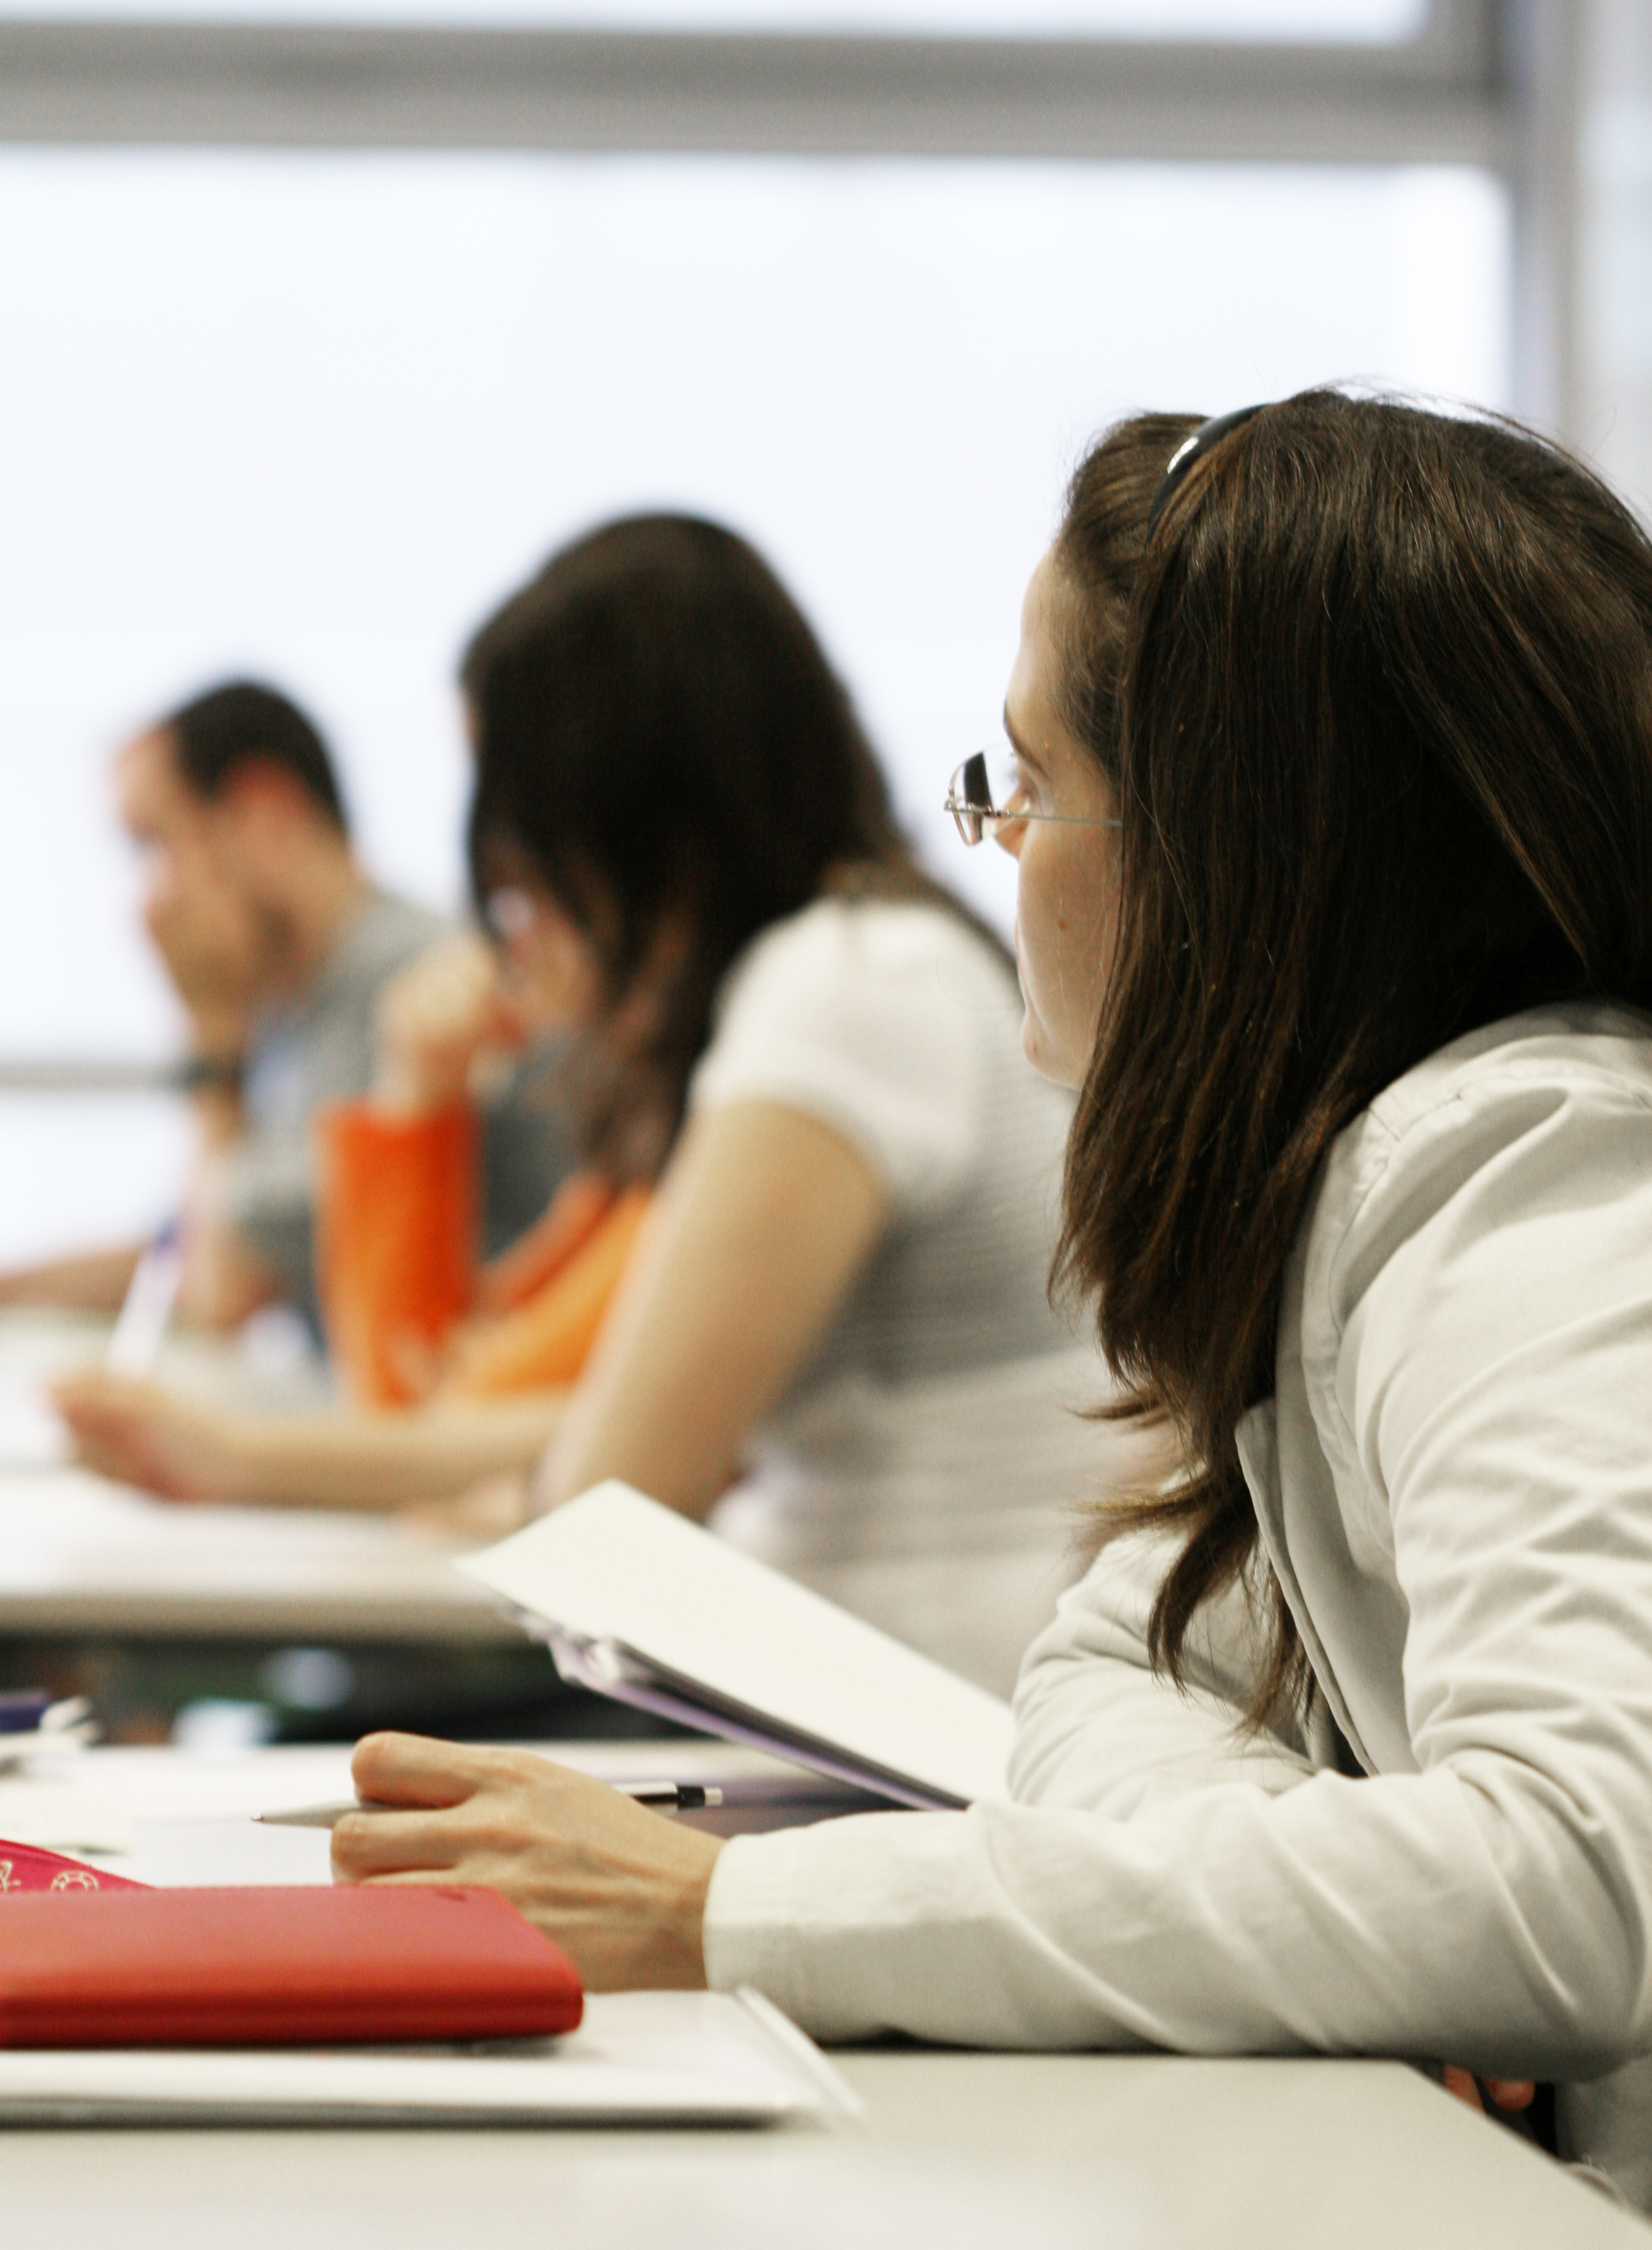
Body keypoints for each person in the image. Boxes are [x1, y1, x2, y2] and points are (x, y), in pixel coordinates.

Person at [325, 397, 1652, 2206]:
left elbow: (1570, 1872)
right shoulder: (1352, 1196)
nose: (997, 840)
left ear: (1226, 844)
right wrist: (1342, 1906)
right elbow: (1101, 1664)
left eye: (1024, 784)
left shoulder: (1518, 1175)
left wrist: (737, 1912)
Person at [57, 516, 1100, 1695]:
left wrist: (296, 1462)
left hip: (919, 1725)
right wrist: (242, 1457)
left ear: (619, 814)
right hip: (880, 1694)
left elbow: (601, 1491)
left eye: (521, 831)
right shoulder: (858, 964)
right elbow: (596, 1429)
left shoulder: (845, 994)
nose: (511, 901)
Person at [1, 681, 569, 1335]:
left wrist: (211, 1032)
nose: (148, 905)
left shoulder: (416, 984)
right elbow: (176, 1252)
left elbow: (222, 1283)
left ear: (265, 815)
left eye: (155, 845)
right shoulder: (295, 1012)